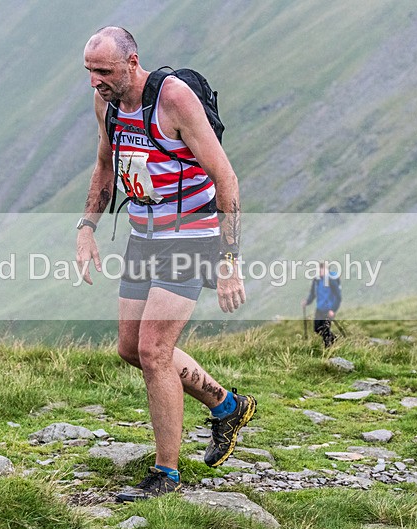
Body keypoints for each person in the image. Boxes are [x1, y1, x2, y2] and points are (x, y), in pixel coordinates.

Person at [76, 26, 256, 502]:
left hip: (191, 234)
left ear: (132, 63)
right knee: (131, 349)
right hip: (143, 234)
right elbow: (104, 165)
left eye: (104, 71)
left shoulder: (174, 100)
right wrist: (87, 227)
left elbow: (227, 179)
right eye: (90, 72)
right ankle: (228, 406)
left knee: (155, 352)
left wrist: (229, 261)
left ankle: (166, 476)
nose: (95, 81)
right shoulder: (108, 102)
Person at [301, 261, 342, 347]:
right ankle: (335, 338)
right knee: (317, 329)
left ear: (327, 270)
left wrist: (333, 309)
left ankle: (328, 351)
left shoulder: (331, 280)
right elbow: (312, 294)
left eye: (322, 270)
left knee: (325, 330)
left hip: (328, 309)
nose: (320, 271)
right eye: (319, 270)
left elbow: (338, 297)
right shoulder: (317, 280)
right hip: (319, 308)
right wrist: (307, 302)